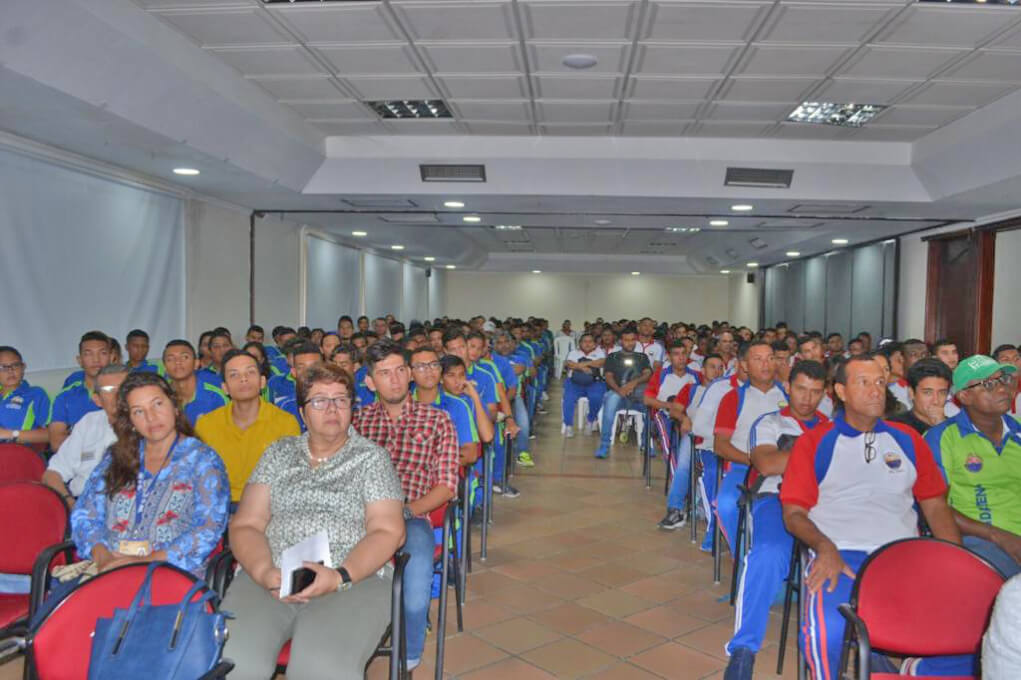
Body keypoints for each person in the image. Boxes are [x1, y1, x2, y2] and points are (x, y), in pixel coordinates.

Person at [779, 355, 961, 679]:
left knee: (965, 623)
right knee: (828, 631)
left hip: (903, 554)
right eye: (864, 382)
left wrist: (954, 560)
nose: (876, 391)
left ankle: (914, 668)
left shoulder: (907, 440)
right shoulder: (815, 443)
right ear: (841, 391)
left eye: (880, 382)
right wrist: (824, 547)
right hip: (840, 552)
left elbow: (934, 505)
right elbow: (793, 514)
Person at [222, 364, 405, 680]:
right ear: (303, 413)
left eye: (341, 399)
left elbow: (388, 531)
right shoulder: (278, 453)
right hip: (270, 573)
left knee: (321, 668)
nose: (332, 408)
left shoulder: (371, 458)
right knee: (233, 661)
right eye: (320, 400)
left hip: (353, 579)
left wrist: (339, 576)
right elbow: (246, 524)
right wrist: (264, 571)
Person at [352, 340, 459, 672]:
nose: (395, 380)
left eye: (400, 370)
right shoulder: (355, 423)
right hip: (360, 516)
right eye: (384, 373)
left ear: (410, 374)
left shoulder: (437, 420)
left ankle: (411, 644)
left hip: (411, 516)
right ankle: (348, 637)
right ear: (370, 382)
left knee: (414, 578)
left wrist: (408, 510)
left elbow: (446, 485)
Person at [724, 361, 828, 680]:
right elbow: (767, 464)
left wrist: (795, 457)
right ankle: (743, 648)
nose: (807, 399)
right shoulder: (769, 422)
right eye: (800, 389)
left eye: (815, 392)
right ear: (788, 387)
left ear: (824, 393)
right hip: (776, 498)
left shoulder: (833, 426)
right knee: (768, 553)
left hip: (826, 505)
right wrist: (818, 456)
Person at [71, 372, 229, 576]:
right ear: (130, 420)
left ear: (174, 406)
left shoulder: (203, 460)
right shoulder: (115, 458)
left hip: (171, 571)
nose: (151, 417)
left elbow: (208, 529)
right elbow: (85, 514)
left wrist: (146, 560)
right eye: (138, 411)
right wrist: (103, 557)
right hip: (109, 569)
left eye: (157, 404)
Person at [925, 355, 1021, 579]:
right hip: (980, 540)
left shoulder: (1018, 432)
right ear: (965, 396)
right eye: (989, 384)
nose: (1002, 389)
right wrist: (998, 535)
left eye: (1004, 379)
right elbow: (935, 505)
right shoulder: (943, 438)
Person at [196, 349, 301, 504]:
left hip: (267, 505)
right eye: (234, 375)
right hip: (219, 505)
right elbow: (200, 479)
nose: (243, 379)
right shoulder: (206, 425)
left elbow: (289, 481)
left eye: (250, 372)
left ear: (262, 381)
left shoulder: (285, 423)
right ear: (225, 388)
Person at [714, 341, 788, 548]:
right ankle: (743, 552)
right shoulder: (734, 398)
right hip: (744, 467)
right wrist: (756, 461)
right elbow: (721, 446)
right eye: (758, 359)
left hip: (786, 469)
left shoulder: (788, 395)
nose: (766, 364)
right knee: (727, 505)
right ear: (745, 365)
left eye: (770, 358)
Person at [657, 353, 726, 530]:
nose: (717, 371)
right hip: (696, 435)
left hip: (722, 438)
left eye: (720, 367)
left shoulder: (729, 392)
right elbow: (675, 411)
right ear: (702, 370)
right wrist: (684, 418)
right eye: (712, 366)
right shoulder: (691, 389)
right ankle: (676, 509)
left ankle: (714, 509)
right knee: (684, 465)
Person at [42, 364, 127, 504]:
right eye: (110, 390)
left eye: (124, 387)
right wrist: (69, 504)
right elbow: (52, 474)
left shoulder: (148, 427)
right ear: (97, 400)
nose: (119, 394)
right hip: (80, 502)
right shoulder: (88, 422)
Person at [595, 327, 652, 459]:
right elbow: (608, 376)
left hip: (636, 394)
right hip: (617, 393)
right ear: (621, 341)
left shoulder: (641, 357)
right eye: (626, 340)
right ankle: (604, 445)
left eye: (632, 340)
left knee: (651, 403)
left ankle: (646, 443)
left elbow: (648, 374)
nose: (630, 343)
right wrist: (619, 389)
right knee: (611, 401)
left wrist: (633, 384)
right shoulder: (613, 357)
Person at [49, 331, 112, 450]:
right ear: (79, 360)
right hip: (78, 463)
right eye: (89, 354)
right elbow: (56, 443)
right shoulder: (65, 397)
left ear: (111, 357)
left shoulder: (127, 392)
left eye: (102, 353)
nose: (96, 359)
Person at [162, 339, 228, 426]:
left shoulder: (216, 396)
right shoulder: (161, 396)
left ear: (196, 364)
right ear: (165, 367)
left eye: (184, 357)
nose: (178, 362)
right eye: (170, 359)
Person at [0, 346, 51, 446]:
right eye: (3, 367)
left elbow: (51, 433)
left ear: (23, 367)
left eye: (15, 365)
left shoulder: (35, 394)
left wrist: (10, 434)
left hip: (18, 453)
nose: (10, 371)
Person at [268, 341, 324, 430]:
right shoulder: (284, 408)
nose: (309, 372)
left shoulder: (340, 403)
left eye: (315, 366)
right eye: (302, 367)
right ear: (293, 372)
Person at [888, 358, 952, 435]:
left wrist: (942, 425)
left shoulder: (956, 427)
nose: (935, 401)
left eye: (942, 393)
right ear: (911, 393)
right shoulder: (895, 427)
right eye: (928, 392)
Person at [562, 333, 607, 437]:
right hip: (574, 382)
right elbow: (569, 364)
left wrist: (581, 364)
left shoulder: (600, 352)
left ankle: (590, 421)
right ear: (580, 343)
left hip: (594, 382)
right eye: (584, 341)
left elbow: (600, 363)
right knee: (568, 399)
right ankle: (568, 426)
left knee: (596, 397)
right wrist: (583, 368)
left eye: (590, 341)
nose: (587, 344)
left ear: (595, 344)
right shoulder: (574, 352)